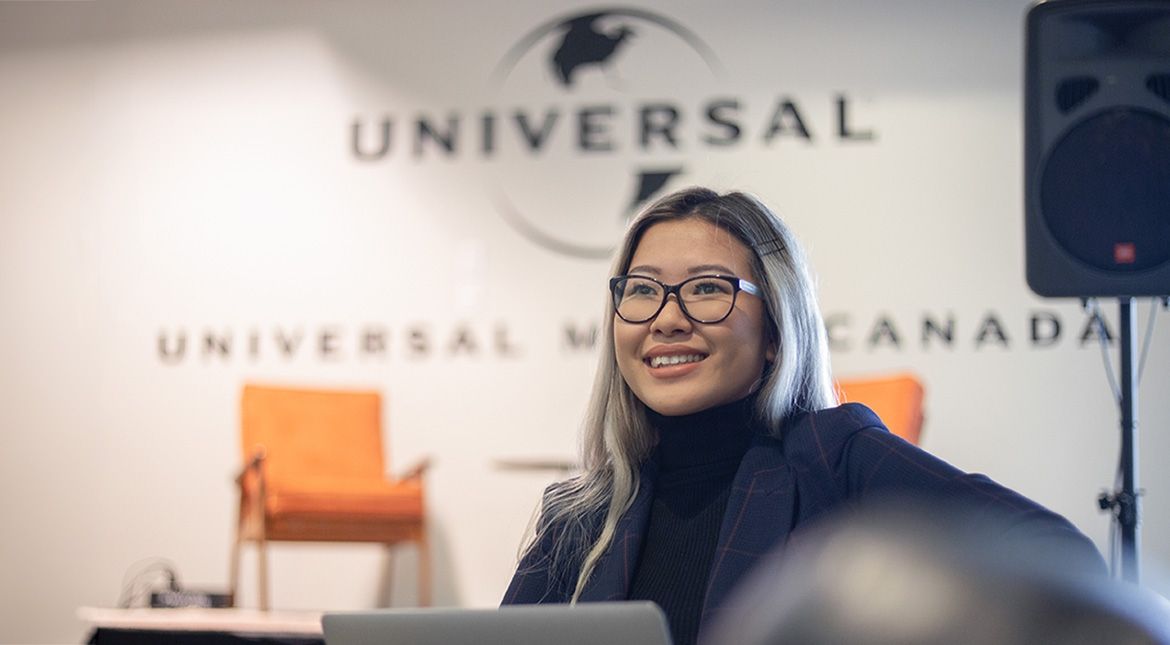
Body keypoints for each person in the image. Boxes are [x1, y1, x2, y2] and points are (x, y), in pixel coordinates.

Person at [501, 187, 1104, 645]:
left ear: (775, 331)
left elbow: (1054, 556)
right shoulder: (580, 517)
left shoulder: (836, 458)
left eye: (707, 288)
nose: (666, 318)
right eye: (642, 289)